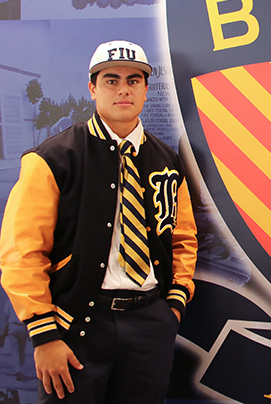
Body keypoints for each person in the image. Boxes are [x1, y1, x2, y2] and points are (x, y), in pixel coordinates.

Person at [0, 40, 198, 403]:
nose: (123, 88)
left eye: (134, 80)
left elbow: (183, 237)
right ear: (92, 88)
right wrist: (44, 335)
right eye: (111, 80)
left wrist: (173, 304)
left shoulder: (166, 159)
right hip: (76, 326)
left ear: (145, 89)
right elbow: (22, 251)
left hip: (150, 322)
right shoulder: (52, 158)